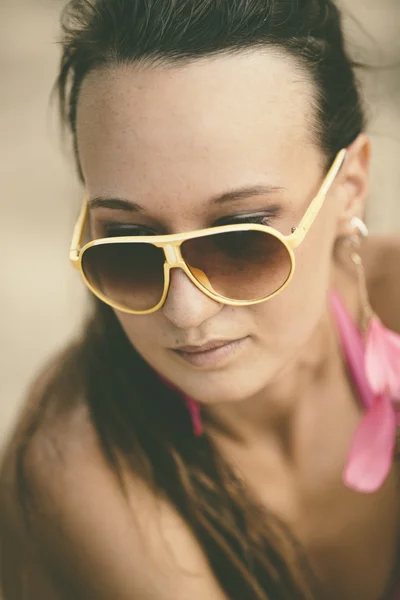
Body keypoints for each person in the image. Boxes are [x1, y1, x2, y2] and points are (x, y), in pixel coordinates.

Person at [1, 0, 400, 598]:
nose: (185, 311)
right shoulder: (81, 472)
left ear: (349, 189)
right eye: (130, 244)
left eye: (242, 238)